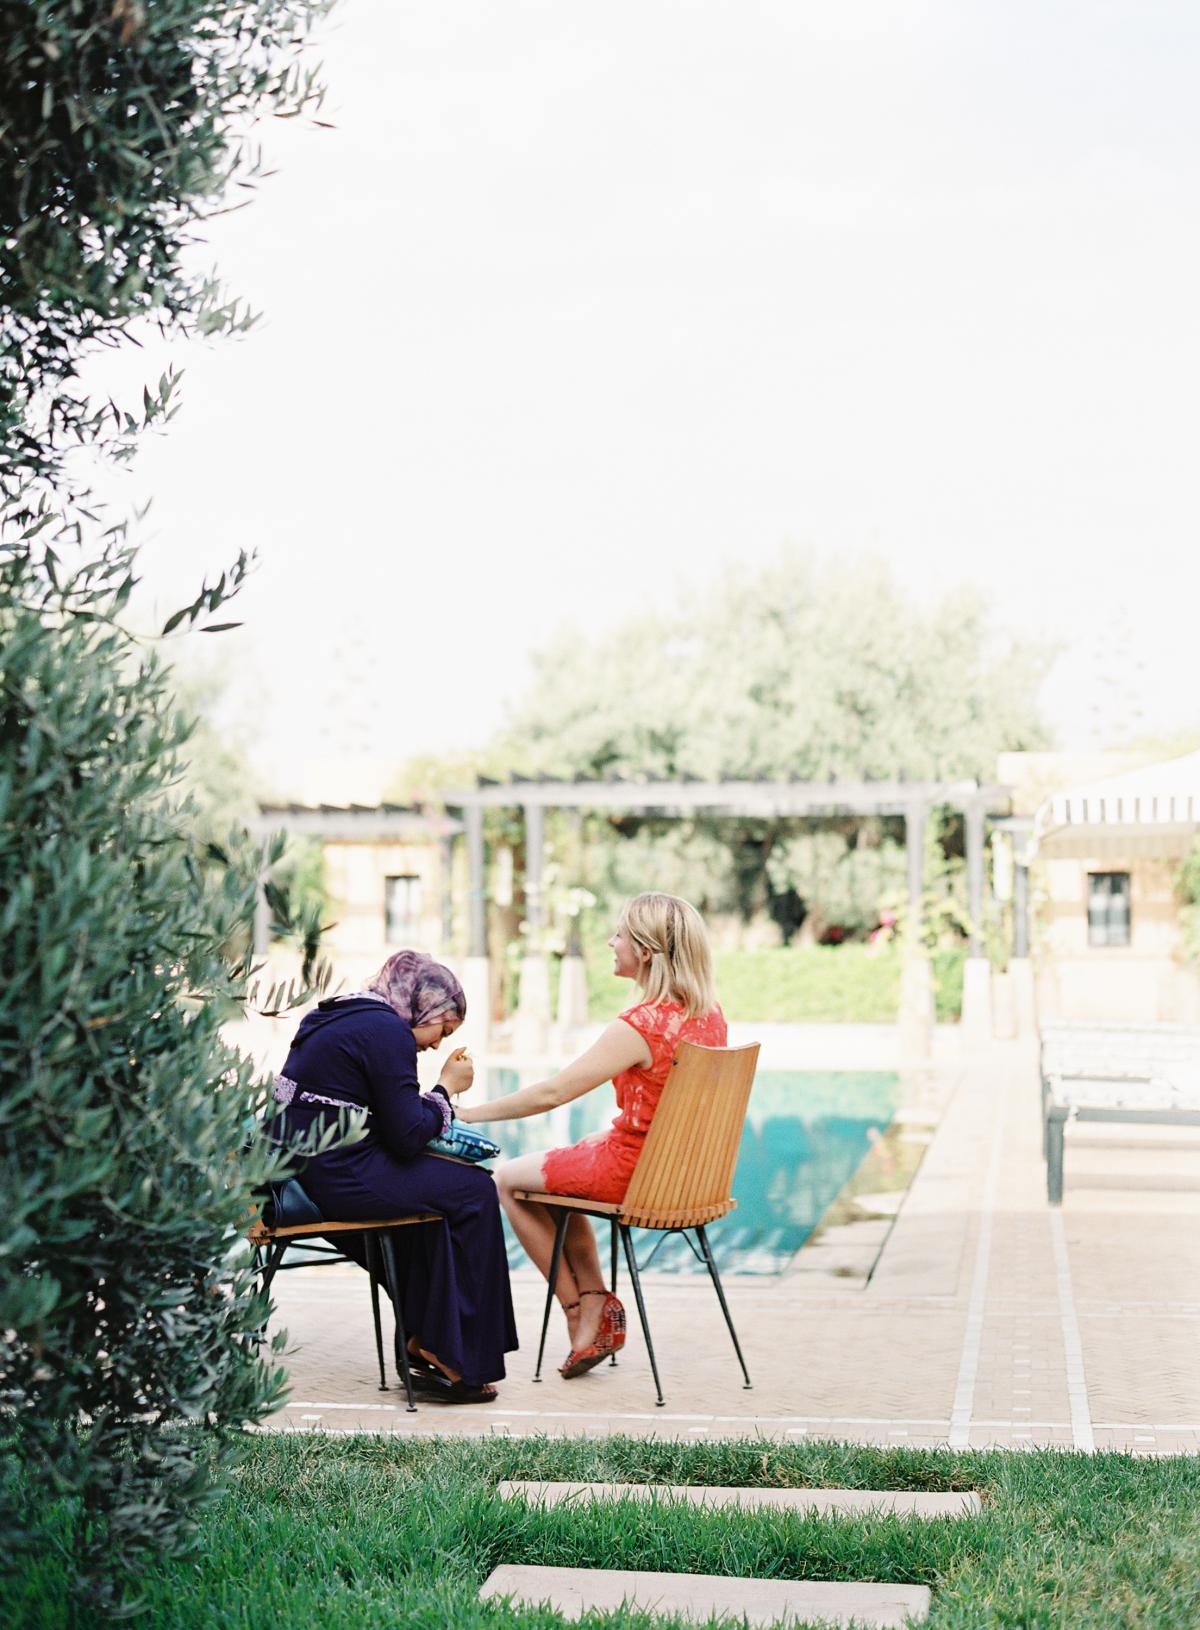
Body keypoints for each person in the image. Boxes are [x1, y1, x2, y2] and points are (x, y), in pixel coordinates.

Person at [457, 892, 726, 1377]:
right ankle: (596, 1299)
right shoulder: (708, 1015)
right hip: (681, 1175)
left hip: (635, 1171)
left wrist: (470, 1113)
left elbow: (553, 1094)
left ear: (645, 951)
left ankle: (580, 1310)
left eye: (620, 934)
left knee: (506, 1180)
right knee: (556, 1178)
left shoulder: (640, 1025)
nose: (611, 942)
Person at [269, 950, 516, 1403]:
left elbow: (385, 1113)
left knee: (445, 1195)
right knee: (476, 1190)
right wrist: (446, 1088)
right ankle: (453, 1355)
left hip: (303, 1169)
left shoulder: (344, 1015)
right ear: (421, 1007)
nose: (438, 1043)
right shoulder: (387, 1033)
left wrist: (428, 1105)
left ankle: (429, 1340)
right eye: (443, 1029)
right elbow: (405, 1135)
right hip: (339, 1175)